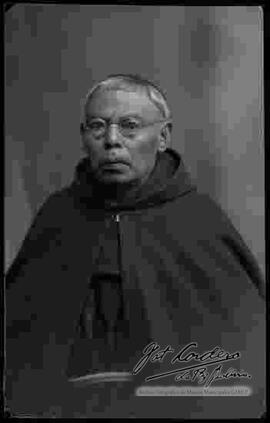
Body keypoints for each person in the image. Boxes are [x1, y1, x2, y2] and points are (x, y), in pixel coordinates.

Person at [5, 74, 265, 418]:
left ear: (163, 137)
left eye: (129, 126)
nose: (112, 140)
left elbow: (243, 348)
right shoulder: (59, 216)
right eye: (98, 127)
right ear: (84, 137)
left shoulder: (198, 220)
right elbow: (20, 343)